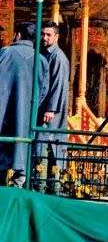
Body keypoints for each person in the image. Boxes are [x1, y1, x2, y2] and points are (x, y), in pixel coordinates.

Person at [0, 22, 45, 186]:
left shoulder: (5, 53)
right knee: (22, 155)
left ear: (18, 35)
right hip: (25, 117)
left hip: (2, 115)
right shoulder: (40, 60)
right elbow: (43, 91)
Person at [37, 21, 70, 168]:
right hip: (43, 107)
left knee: (49, 142)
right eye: (43, 34)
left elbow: (59, 84)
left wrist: (51, 108)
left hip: (52, 112)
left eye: (48, 35)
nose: (45, 37)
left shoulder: (58, 57)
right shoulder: (44, 53)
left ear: (56, 37)